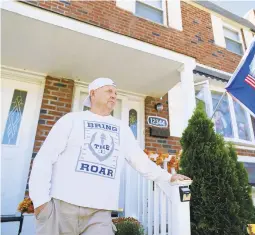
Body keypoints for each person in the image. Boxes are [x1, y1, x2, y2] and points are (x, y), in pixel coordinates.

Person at [29, 77, 191, 235]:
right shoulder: (72, 120)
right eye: (108, 91)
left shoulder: (122, 128)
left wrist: (168, 177)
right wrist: (40, 202)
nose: (114, 95)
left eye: (115, 92)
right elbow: (44, 158)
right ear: (92, 94)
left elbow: (140, 161)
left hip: (100, 214)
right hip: (62, 207)